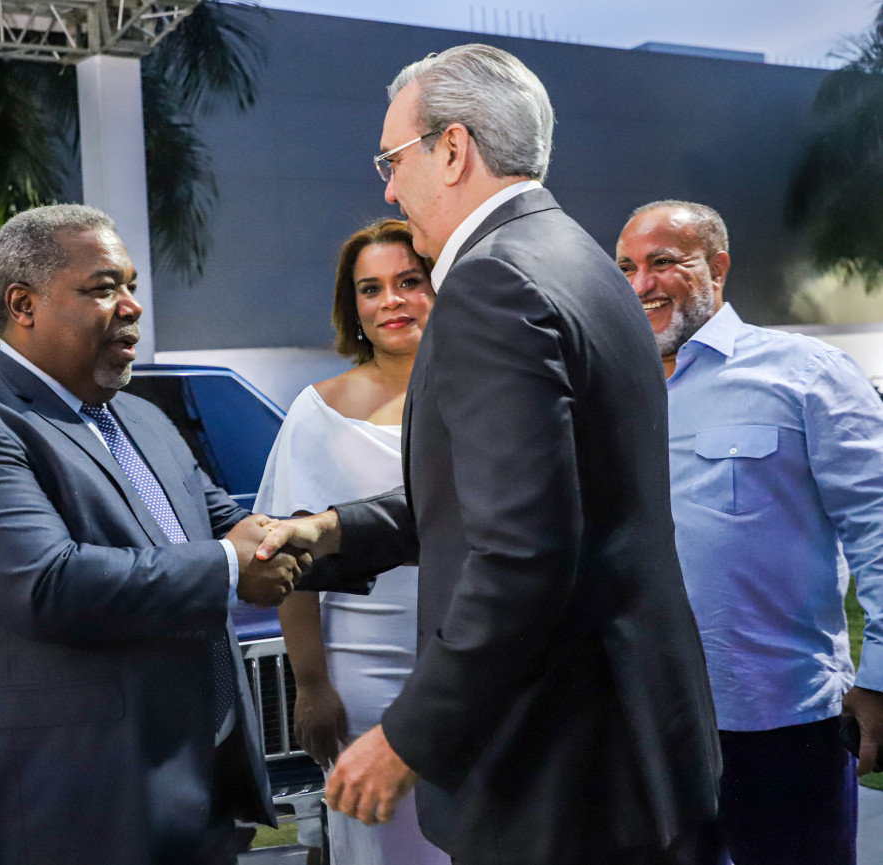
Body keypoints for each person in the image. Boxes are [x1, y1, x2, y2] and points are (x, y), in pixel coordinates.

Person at [256, 44, 721, 865]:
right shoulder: (579, 258)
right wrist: (327, 530)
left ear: (453, 149)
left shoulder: (491, 282)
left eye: (392, 160)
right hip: (635, 746)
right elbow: (504, 499)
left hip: (558, 771)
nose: (388, 188)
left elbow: (522, 552)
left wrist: (407, 735)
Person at [0, 204, 306, 865]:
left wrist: (341, 528)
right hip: (66, 814)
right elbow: (48, 583)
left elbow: (230, 528)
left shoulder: (142, 419)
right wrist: (230, 566)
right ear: (23, 305)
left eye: (131, 286)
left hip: (195, 797)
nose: (133, 307)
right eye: (104, 287)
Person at [616, 199, 883, 865]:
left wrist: (881, 676)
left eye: (663, 262)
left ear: (718, 267)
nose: (642, 283)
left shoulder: (805, 373)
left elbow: (877, 526)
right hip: (645, 729)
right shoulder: (613, 391)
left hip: (783, 723)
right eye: (626, 267)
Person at [255, 219, 450, 865]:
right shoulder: (319, 411)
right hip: (367, 670)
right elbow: (290, 560)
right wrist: (311, 684)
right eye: (371, 289)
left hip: (482, 662)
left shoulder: (486, 392)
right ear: (354, 307)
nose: (391, 300)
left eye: (409, 281)